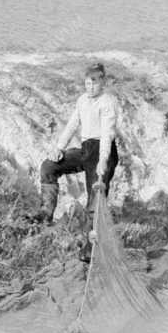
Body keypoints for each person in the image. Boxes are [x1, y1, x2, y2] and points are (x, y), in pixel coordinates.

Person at [37, 61, 121, 225]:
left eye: (94, 83)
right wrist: (59, 148)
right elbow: (72, 125)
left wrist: (103, 160)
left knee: (95, 198)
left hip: (103, 151)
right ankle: (45, 214)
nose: (90, 87)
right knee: (48, 167)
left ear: (103, 82)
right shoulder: (82, 100)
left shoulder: (108, 102)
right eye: (87, 83)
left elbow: (106, 134)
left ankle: (94, 233)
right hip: (86, 150)